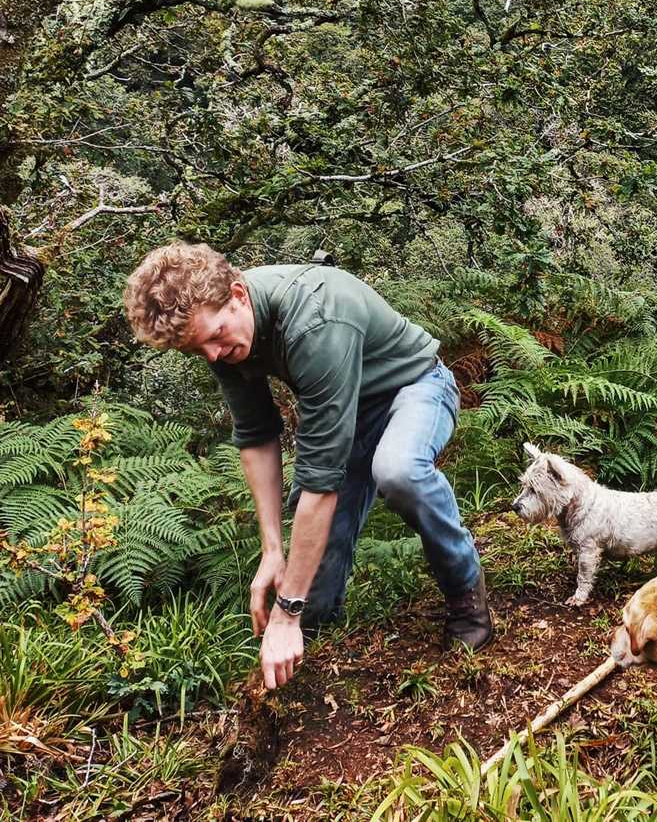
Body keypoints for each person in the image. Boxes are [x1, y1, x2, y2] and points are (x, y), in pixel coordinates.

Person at [123, 242, 493, 689]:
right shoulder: (222, 336)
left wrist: (286, 611)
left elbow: (321, 483)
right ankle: (312, 644)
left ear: (238, 295)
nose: (214, 355)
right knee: (307, 590)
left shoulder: (314, 322)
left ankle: (465, 587)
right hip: (350, 411)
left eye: (217, 337)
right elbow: (257, 436)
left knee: (399, 470)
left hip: (413, 387)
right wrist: (273, 551)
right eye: (198, 349)